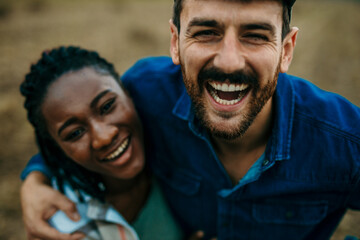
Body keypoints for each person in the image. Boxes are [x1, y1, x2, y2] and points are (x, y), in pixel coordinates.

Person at [21, 0, 360, 239]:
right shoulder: (146, 92)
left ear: (286, 50)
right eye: (206, 32)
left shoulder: (345, 142)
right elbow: (84, 135)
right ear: (175, 42)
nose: (229, 61)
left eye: (255, 35)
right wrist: (34, 180)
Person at [19, 46, 184, 240]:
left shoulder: (172, 137)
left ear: (128, 93)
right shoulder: (62, 227)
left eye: (107, 106)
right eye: (75, 133)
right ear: (57, 148)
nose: (104, 137)